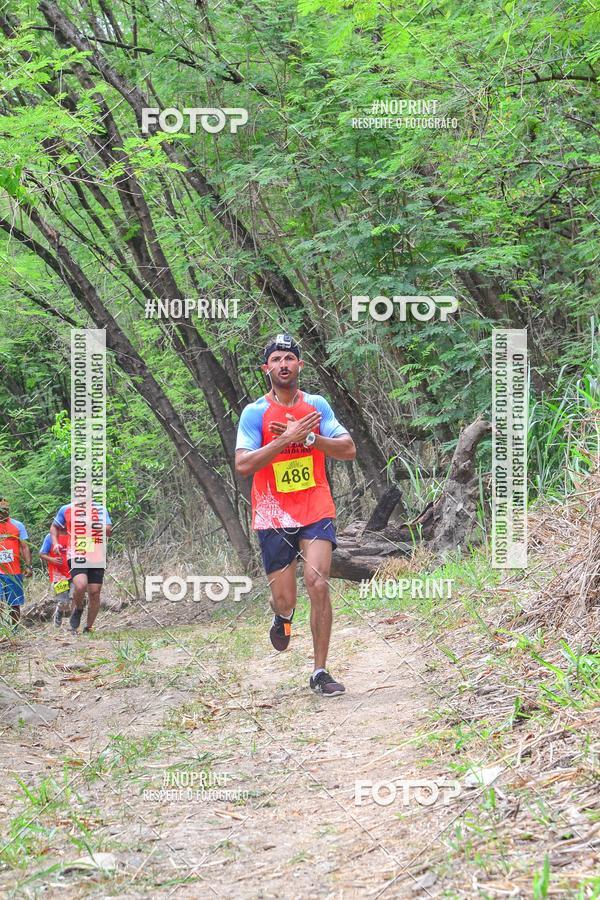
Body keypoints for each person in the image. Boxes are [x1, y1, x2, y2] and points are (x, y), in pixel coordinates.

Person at [235, 333, 356, 696]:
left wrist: (308, 439)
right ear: (266, 368)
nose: (283, 364)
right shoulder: (255, 412)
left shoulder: (317, 406)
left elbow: (348, 449)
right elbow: (243, 465)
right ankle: (283, 617)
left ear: (300, 365)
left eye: (290, 358)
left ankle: (320, 671)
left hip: (315, 505)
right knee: (285, 597)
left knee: (318, 582)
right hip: (273, 511)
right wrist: (283, 440)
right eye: (277, 359)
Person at [49, 494, 112, 635]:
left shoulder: (100, 509)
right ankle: (77, 611)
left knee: (95, 592)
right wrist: (55, 543)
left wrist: (92, 525)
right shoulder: (66, 509)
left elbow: (109, 531)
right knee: (80, 585)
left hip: (96, 555)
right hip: (76, 554)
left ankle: (88, 627)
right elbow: (54, 527)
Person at [0, 498, 32, 626]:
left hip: (14, 571)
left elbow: (25, 547)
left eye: (6, 509)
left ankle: (14, 629)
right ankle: (3, 631)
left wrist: (29, 566)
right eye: (1, 510)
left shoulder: (18, 525)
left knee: (15, 603)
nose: (3, 512)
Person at [39, 531, 72, 627]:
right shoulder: (50, 537)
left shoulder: (74, 535)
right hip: (59, 575)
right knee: (63, 601)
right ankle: (58, 615)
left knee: (75, 598)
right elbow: (42, 553)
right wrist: (52, 560)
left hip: (75, 573)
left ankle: (74, 625)